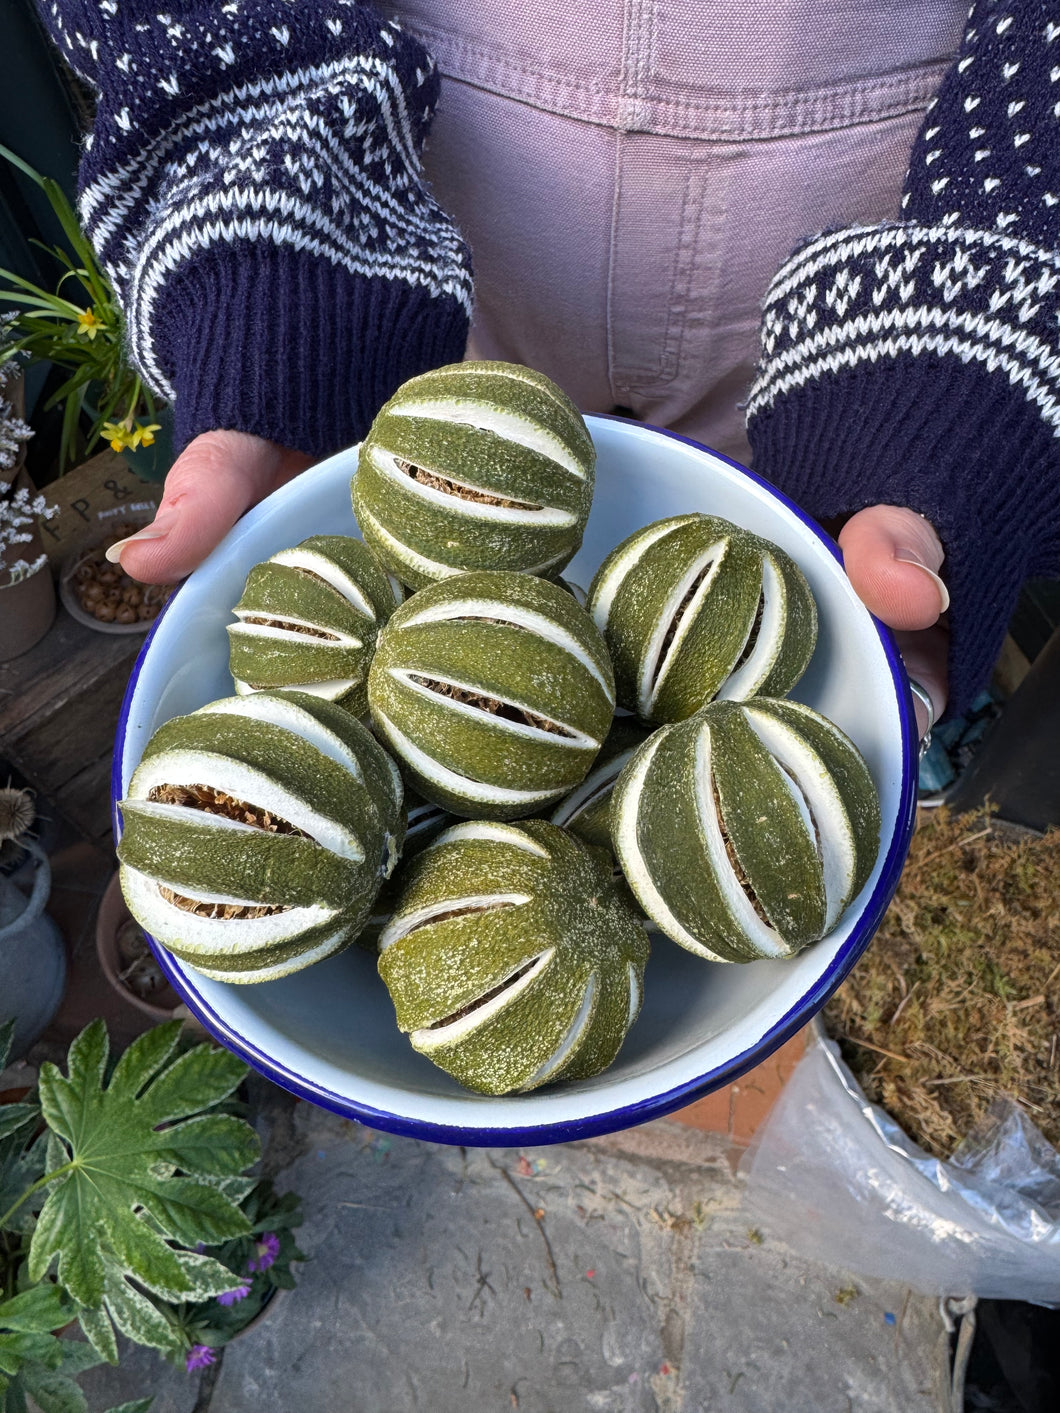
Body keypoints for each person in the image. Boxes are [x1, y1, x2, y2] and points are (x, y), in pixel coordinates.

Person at [34, 0, 1060, 739]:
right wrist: (275, 268)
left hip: (866, 319)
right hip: (417, 301)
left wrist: (969, 382)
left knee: (808, 640)